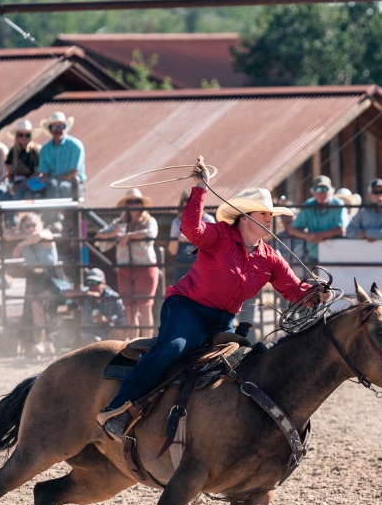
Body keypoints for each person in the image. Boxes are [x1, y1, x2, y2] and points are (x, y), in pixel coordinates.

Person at [96, 157, 319, 441]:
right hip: (187, 308)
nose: (269, 219)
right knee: (171, 348)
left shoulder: (270, 258)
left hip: (223, 320)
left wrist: (315, 293)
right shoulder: (220, 237)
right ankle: (119, 409)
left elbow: (293, 289)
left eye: (270, 215)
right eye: (264, 213)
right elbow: (191, 229)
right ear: (245, 216)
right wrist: (200, 189)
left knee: (249, 359)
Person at [95, 189, 159, 338]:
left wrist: (128, 236)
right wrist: (114, 234)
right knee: (129, 308)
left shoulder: (149, 220)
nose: (134, 204)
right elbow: (99, 235)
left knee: (144, 307)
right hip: (124, 269)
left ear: (142, 204)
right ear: (127, 205)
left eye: (137, 201)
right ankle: (134, 343)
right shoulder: (119, 223)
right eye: (131, 202)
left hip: (144, 267)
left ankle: (146, 343)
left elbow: (151, 233)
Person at [12, 212, 63, 357]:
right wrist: (23, 238)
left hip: (50, 276)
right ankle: (40, 342)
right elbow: (7, 235)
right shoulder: (26, 236)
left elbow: (39, 236)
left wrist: (21, 243)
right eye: (27, 226)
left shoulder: (46, 233)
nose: (31, 228)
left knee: (47, 310)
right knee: (35, 307)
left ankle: (48, 342)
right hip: (34, 276)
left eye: (33, 225)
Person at [282, 175, 347, 262]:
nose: (322, 193)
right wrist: (307, 236)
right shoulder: (308, 205)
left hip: (336, 255)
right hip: (314, 255)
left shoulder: (338, 204)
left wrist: (316, 236)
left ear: (331, 191)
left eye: (325, 189)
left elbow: (341, 230)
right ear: (313, 192)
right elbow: (292, 229)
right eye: (319, 189)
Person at [64, 267, 127, 344]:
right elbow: (64, 293)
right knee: (90, 341)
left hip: (108, 334)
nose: (92, 286)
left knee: (119, 331)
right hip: (89, 335)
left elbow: (124, 319)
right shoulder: (85, 293)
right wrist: (86, 294)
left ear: (104, 284)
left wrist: (107, 319)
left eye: (96, 283)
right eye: (89, 283)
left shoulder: (113, 297)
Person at [168, 187, 215, 285]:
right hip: (183, 265)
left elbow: (213, 246)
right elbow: (172, 251)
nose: (190, 203)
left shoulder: (208, 220)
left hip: (203, 265)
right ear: (182, 203)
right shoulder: (177, 222)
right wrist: (177, 238)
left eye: (193, 200)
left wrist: (190, 237)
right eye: (186, 200)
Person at [35, 111, 86, 201]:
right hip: (52, 185)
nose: (58, 130)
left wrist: (50, 179)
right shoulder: (45, 149)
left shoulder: (75, 146)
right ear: (50, 129)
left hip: (72, 185)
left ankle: (53, 214)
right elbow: (44, 174)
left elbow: (73, 175)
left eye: (61, 126)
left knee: (52, 185)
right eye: (54, 127)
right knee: (28, 193)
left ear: (65, 128)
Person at [4, 119, 41, 200]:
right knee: (3, 196)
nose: (24, 137)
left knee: (19, 194)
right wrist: (11, 185)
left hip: (33, 182)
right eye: (21, 135)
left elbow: (37, 173)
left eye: (27, 135)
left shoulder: (36, 151)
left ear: (30, 136)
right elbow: (9, 173)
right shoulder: (13, 152)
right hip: (16, 182)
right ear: (17, 136)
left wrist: (22, 184)